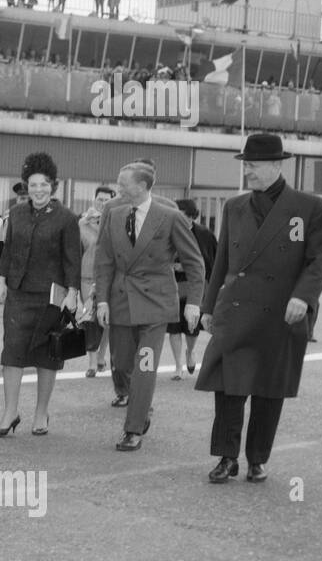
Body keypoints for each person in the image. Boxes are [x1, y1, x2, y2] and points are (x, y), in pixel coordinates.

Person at [197, 134, 322, 484]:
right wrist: (209, 306)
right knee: (228, 387)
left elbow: (318, 260)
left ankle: (257, 458)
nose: (248, 173)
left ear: (276, 165)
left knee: (269, 390)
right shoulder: (235, 207)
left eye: (253, 166)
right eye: (246, 166)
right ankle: (227, 457)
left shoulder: (309, 207)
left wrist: (303, 297)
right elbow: (223, 260)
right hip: (237, 311)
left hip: (283, 313)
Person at [94, 162, 205, 452]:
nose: (118, 189)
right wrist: (102, 300)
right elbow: (104, 261)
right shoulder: (115, 214)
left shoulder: (169, 217)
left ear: (142, 186)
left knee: (145, 366)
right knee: (123, 365)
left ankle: (133, 428)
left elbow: (195, 262)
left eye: (123, 184)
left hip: (155, 307)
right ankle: (142, 410)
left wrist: (194, 303)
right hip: (119, 302)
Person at [0, 152, 81, 436]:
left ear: (53, 185)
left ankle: (41, 413)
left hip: (51, 296)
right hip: (18, 293)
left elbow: (72, 259)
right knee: (12, 354)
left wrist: (73, 292)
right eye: (33, 185)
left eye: (43, 184)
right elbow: (7, 249)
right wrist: (2, 280)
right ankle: (10, 413)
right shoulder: (16, 213)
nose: (38, 190)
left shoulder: (66, 218)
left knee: (47, 355)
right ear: (26, 187)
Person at [166, 198, 218, 378]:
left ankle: (190, 351)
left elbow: (213, 261)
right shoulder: (166, 231)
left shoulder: (205, 235)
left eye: (183, 217)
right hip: (172, 286)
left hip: (195, 287)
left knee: (191, 327)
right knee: (173, 327)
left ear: (191, 217)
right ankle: (178, 366)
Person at [78, 184, 116, 376]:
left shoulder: (115, 221)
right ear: (94, 200)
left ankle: (102, 355)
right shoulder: (82, 224)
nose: (102, 203)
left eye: (106, 200)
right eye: (99, 199)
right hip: (86, 277)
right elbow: (76, 252)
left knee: (106, 318)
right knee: (89, 318)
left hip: (109, 277)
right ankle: (92, 362)